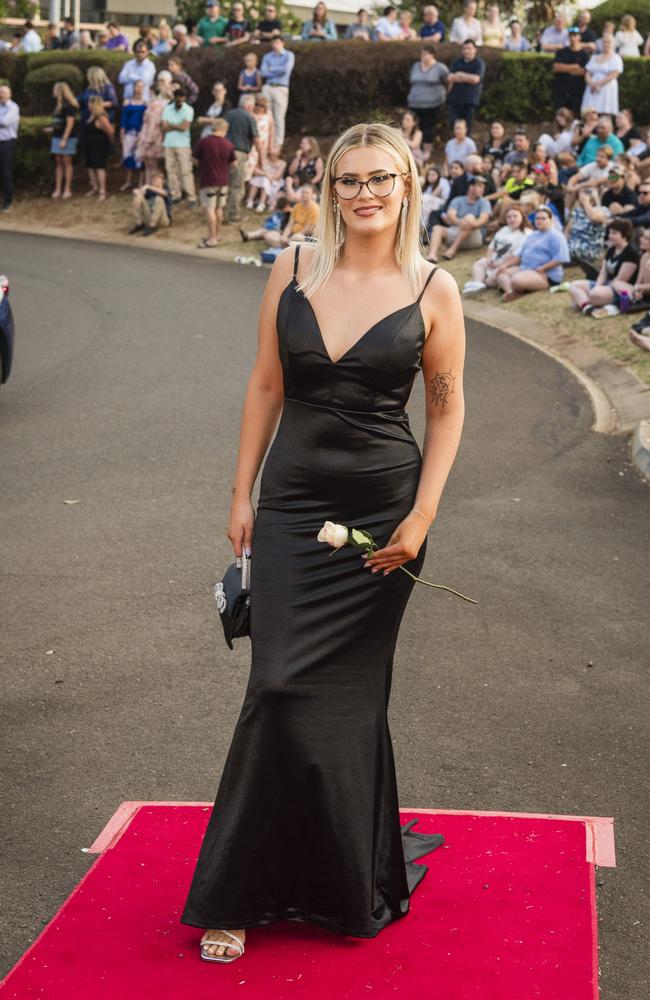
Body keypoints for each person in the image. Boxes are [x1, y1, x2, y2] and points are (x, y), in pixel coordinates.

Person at [179, 122, 464, 963]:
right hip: (292, 506)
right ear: (329, 188)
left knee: (347, 702)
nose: (365, 194)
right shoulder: (293, 268)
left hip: (382, 517)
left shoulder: (433, 289)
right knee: (274, 685)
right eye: (348, 181)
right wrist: (242, 492)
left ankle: (347, 881)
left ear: (408, 185)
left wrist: (422, 520)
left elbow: (446, 409)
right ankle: (237, 893)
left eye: (381, 178)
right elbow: (267, 383)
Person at [496, 205, 570, 301]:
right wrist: (505, 265)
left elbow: (561, 258)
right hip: (526, 268)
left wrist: (543, 268)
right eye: (537, 218)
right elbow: (519, 256)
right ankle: (511, 292)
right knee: (502, 274)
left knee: (516, 280)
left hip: (545, 274)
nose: (539, 221)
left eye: (543, 218)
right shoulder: (533, 235)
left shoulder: (556, 236)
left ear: (551, 220)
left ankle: (515, 288)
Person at [568, 218, 638, 314]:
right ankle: (587, 306)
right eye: (609, 233)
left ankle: (583, 300)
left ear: (624, 235)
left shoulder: (631, 253)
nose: (610, 236)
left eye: (614, 233)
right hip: (606, 285)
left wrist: (597, 290)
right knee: (573, 285)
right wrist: (597, 286)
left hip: (618, 289)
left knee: (594, 294)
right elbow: (603, 273)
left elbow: (621, 279)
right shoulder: (611, 250)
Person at [462, 204, 531, 293]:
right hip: (493, 262)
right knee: (479, 263)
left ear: (522, 217)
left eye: (515, 216)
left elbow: (518, 257)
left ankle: (480, 282)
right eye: (509, 217)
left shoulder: (526, 234)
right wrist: (489, 259)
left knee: (489, 281)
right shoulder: (504, 229)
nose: (512, 219)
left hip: (506, 266)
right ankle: (477, 283)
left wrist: (501, 265)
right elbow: (491, 247)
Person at [426, 174, 491, 261]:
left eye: (483, 187)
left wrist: (471, 223)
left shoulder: (484, 202)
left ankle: (452, 250)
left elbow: (484, 219)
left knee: (470, 217)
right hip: (456, 230)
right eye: (480, 186)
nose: (483, 189)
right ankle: (432, 255)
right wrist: (460, 222)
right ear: (471, 187)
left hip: (475, 235)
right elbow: (451, 215)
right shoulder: (458, 200)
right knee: (437, 228)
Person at [193, 118, 235, 248]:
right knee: (219, 208)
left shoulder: (203, 142)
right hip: (223, 181)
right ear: (224, 129)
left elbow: (194, 159)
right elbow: (234, 163)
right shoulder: (228, 144)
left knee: (209, 209)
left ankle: (212, 238)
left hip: (208, 180)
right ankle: (216, 234)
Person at [224, 94, 265, 222]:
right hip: (239, 152)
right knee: (237, 185)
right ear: (249, 105)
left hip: (224, 152)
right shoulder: (249, 117)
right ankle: (233, 215)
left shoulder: (228, 114)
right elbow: (257, 140)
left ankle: (220, 211)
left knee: (226, 183)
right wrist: (262, 161)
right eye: (252, 106)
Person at [240, 181, 319, 246]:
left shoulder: (315, 209)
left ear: (312, 195)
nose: (304, 194)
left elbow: (307, 229)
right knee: (269, 236)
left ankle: (286, 245)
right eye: (303, 192)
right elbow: (290, 224)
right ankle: (285, 245)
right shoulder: (297, 206)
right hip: (291, 235)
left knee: (297, 238)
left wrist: (291, 237)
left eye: (307, 193)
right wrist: (285, 236)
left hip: (303, 236)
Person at [407, 46, 449, 158]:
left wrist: (445, 94)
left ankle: (427, 151)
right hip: (414, 103)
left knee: (428, 126)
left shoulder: (440, 68)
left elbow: (448, 81)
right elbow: (412, 81)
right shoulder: (416, 66)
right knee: (414, 126)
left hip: (433, 104)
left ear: (432, 55)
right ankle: (414, 150)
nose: (423, 56)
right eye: (422, 54)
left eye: (425, 54)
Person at [161, 88, 197, 206]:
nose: (179, 99)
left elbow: (184, 127)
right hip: (169, 144)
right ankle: (176, 194)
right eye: (178, 97)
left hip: (183, 145)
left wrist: (172, 125)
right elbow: (164, 127)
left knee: (186, 171)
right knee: (171, 171)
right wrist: (177, 125)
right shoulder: (167, 108)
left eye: (182, 97)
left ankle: (191, 196)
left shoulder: (188, 109)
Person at [44, 81, 79, 200]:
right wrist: (52, 129)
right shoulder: (57, 107)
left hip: (67, 138)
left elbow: (70, 124)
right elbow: (59, 123)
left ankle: (67, 188)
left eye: (55, 90)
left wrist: (64, 139)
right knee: (58, 164)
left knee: (67, 163)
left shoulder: (69, 106)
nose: (53, 92)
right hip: (56, 136)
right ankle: (58, 188)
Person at [137, 78, 174, 182]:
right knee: (151, 167)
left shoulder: (155, 106)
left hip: (152, 138)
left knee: (152, 167)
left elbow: (153, 125)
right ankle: (149, 188)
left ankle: (152, 189)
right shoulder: (165, 105)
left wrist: (148, 140)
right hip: (155, 137)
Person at [260, 36, 295, 150]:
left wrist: (272, 69)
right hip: (268, 87)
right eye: (273, 43)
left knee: (279, 117)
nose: (275, 45)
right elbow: (264, 72)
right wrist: (276, 70)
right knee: (265, 115)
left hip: (281, 88)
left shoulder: (289, 55)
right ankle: (265, 141)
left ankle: (277, 145)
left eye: (277, 43)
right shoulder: (267, 56)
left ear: (282, 43)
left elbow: (286, 70)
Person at [446, 40, 485, 134]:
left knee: (467, 127)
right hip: (454, 100)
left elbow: (475, 79)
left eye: (469, 48)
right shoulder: (456, 62)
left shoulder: (479, 63)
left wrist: (459, 74)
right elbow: (450, 78)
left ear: (475, 50)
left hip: (470, 101)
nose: (467, 51)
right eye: (464, 48)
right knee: (453, 125)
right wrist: (467, 78)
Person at [82, 95, 115, 200]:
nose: (88, 105)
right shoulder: (90, 116)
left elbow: (110, 131)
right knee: (91, 166)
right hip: (90, 145)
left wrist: (111, 142)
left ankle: (102, 190)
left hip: (99, 145)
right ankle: (94, 187)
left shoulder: (101, 117)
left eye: (89, 103)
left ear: (93, 104)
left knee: (100, 167)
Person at [581, 35, 623, 115]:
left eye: (608, 42)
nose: (606, 44)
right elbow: (587, 72)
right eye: (604, 42)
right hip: (591, 88)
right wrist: (591, 83)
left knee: (605, 112)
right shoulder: (594, 57)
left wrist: (599, 84)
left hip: (606, 88)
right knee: (589, 112)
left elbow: (614, 74)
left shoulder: (616, 57)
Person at [552, 27, 589, 115]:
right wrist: (575, 66)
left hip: (577, 92)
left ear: (579, 37)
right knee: (560, 116)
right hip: (562, 91)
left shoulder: (584, 54)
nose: (573, 38)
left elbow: (583, 71)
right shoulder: (561, 52)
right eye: (571, 36)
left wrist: (565, 69)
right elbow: (556, 67)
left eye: (575, 35)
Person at [119, 79, 147, 191]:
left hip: (141, 133)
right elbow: (123, 120)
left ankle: (141, 182)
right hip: (129, 133)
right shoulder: (128, 102)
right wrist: (122, 134)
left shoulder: (146, 103)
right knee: (127, 156)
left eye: (141, 86)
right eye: (137, 86)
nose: (139, 88)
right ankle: (128, 181)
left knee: (140, 157)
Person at [284, 135, 324, 202]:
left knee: (294, 197)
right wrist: (297, 157)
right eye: (301, 143)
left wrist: (309, 183)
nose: (300, 145)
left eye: (303, 143)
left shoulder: (317, 159)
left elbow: (319, 175)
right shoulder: (298, 158)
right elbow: (291, 171)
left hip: (310, 186)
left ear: (311, 146)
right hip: (297, 185)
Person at [246, 145, 286, 211]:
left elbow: (277, 176)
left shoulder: (282, 163)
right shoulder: (264, 160)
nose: (271, 147)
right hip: (264, 177)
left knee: (265, 181)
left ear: (279, 153)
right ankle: (250, 200)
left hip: (275, 182)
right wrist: (266, 174)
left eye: (275, 147)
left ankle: (262, 203)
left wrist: (268, 176)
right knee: (256, 180)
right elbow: (255, 170)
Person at [0, 84, 19, 214]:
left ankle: (7, 202)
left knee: (6, 172)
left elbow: (5, 122)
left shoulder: (13, 107)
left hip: (7, 143)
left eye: (3, 93)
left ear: (10, 94)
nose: (1, 95)